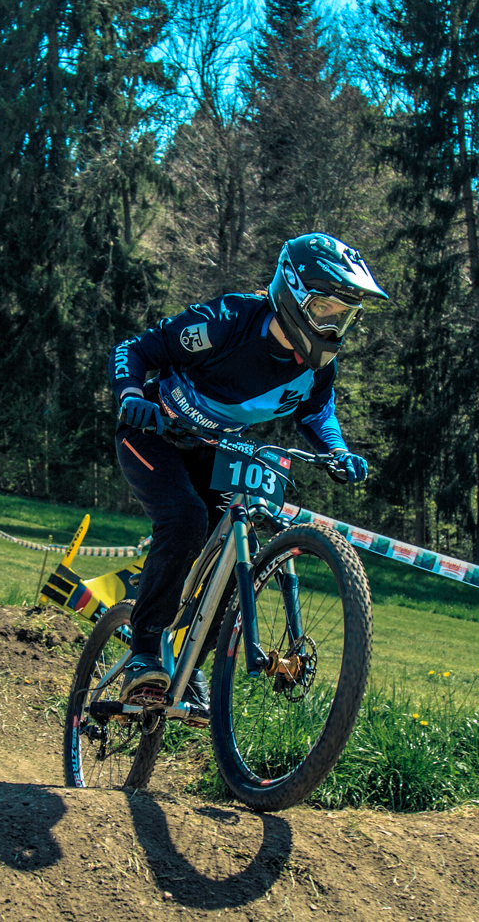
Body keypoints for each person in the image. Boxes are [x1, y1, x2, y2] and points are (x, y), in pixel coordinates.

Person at [111, 233, 385, 725]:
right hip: (153, 434)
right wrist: (132, 395)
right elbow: (136, 349)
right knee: (185, 519)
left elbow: (317, 413)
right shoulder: (229, 320)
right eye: (324, 309)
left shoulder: (317, 366)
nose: (331, 325)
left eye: (343, 316)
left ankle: (192, 667)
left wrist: (338, 451)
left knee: (235, 554)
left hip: (216, 452)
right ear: (293, 293)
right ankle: (144, 651)